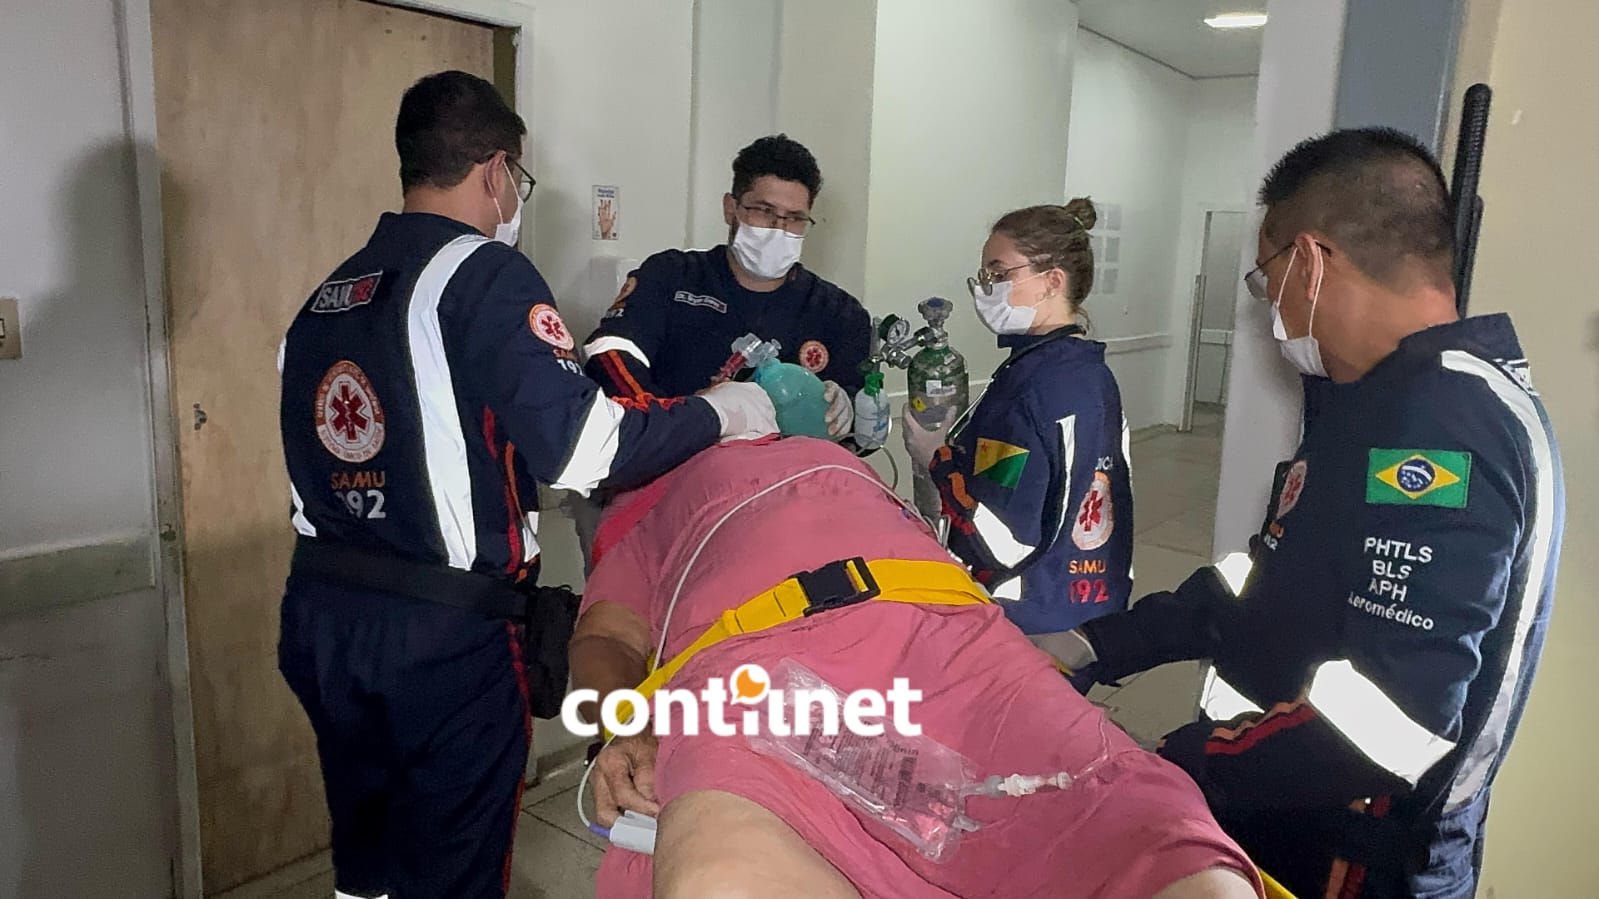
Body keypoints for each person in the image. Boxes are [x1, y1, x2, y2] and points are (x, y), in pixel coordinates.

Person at [275, 71, 776, 899]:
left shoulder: (331, 294)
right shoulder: (483, 274)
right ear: (495, 171)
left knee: (368, 852)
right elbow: (584, 449)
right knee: (456, 867)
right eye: (519, 178)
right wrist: (720, 412)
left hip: (323, 619)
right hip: (439, 638)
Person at [1061, 128, 1564, 899]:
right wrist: (1099, 642)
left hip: (1351, 860)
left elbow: (1393, 719)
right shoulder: (1375, 403)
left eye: (1266, 279)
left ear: (1308, 260)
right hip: (1281, 813)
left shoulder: (1439, 423)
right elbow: (1268, 583)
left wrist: (1183, 760)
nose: (1271, 306)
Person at [570, 436, 1263, 899]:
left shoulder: (837, 460)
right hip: (760, 670)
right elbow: (605, 639)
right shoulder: (648, 510)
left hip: (948, 632)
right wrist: (624, 726)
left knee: (1143, 830)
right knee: (723, 872)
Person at [901, 199, 1133, 654]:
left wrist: (936, 459)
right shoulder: (1087, 372)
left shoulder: (1032, 388)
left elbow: (1002, 542)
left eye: (999, 273)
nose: (984, 289)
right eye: (982, 276)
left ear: (1051, 282)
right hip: (1089, 605)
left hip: (1032, 621)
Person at [582, 134, 871, 444]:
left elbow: (861, 428)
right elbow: (608, 355)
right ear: (731, 209)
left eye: (795, 218)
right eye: (764, 211)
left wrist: (853, 410)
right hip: (674, 459)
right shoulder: (671, 277)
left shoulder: (838, 313)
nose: (779, 228)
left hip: (789, 470)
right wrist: (674, 423)